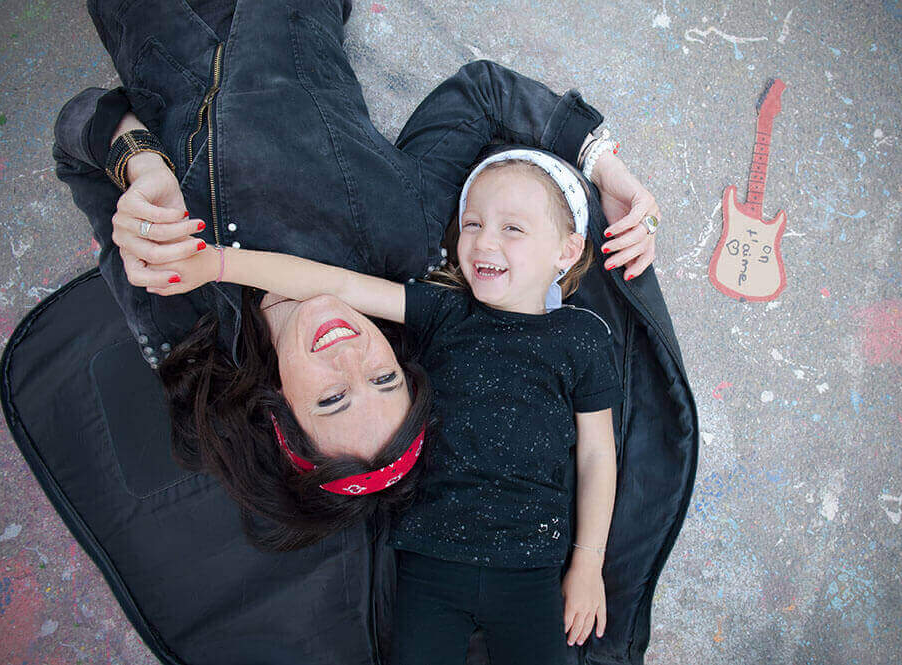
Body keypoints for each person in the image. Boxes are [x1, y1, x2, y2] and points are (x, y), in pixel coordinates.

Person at [37, 0, 698, 662]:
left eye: (331, 397)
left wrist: (137, 161)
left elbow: (78, 130)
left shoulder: (182, 323)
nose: (350, 355)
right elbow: (483, 93)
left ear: (278, 413)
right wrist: (605, 165)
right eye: (382, 377)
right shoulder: (404, 238)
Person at [140, 148, 622, 660]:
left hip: (531, 566)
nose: (483, 240)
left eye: (513, 229)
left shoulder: (582, 336)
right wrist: (219, 263)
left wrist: (588, 562)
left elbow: (596, 454)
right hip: (429, 561)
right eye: (474, 223)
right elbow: (338, 284)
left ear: (566, 252)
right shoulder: (445, 311)